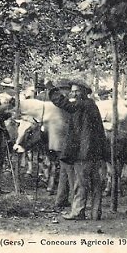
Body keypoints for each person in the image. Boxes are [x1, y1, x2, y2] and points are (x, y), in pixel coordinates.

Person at [48, 79, 110, 220]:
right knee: (96, 183)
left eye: (76, 91)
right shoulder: (91, 105)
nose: (73, 93)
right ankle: (96, 213)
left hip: (84, 152)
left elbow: (64, 104)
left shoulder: (81, 104)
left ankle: (78, 212)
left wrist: (52, 90)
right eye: (73, 91)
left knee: (81, 183)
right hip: (95, 152)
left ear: (83, 92)